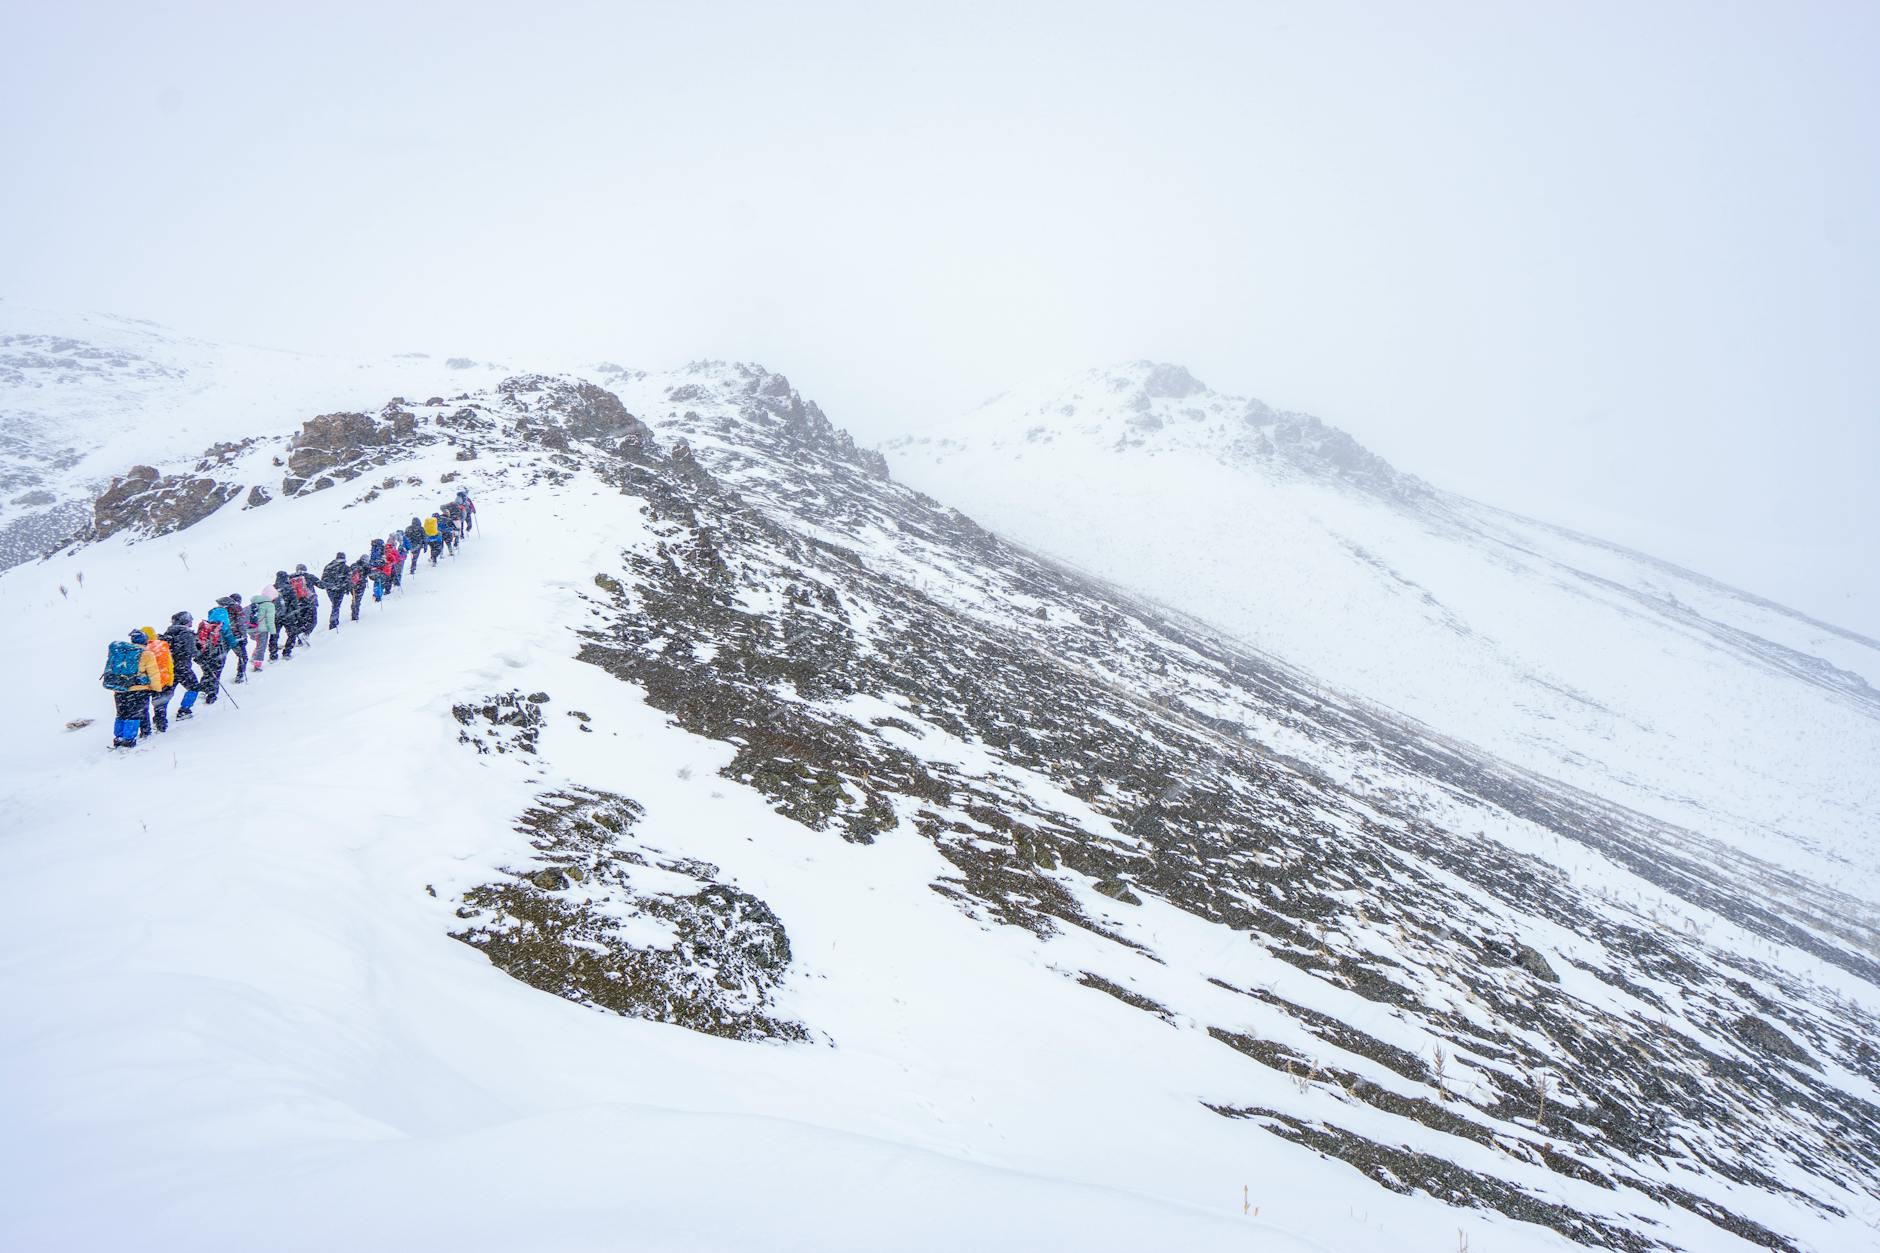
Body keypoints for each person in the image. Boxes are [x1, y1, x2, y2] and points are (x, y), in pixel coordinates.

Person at [101, 628, 162, 748]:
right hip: (138, 689)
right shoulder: (147, 654)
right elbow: (153, 674)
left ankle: (118, 738)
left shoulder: (122, 652)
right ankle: (128, 739)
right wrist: (157, 689)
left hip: (120, 689)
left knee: (121, 714)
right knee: (133, 715)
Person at [159, 610, 201, 723]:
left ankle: (160, 717)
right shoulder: (186, 633)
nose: (192, 621)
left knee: (167, 692)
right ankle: (184, 710)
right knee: (194, 687)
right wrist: (199, 651)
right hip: (183, 667)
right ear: (186, 621)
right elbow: (192, 651)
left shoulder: (168, 632)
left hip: (169, 667)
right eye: (191, 619)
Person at [136, 624, 171, 736]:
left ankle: (145, 730)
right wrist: (170, 679)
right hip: (161, 681)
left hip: (145, 683)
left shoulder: (139, 649)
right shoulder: (162, 646)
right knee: (160, 705)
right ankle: (161, 724)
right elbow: (169, 664)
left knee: (143, 708)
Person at [196, 604, 232, 704]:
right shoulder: (224, 627)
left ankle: (203, 689)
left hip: (205, 654)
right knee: (216, 674)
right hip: (218, 654)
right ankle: (211, 695)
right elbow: (232, 641)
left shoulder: (205, 626)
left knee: (207, 671)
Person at [217, 593, 250, 683]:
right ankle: (240, 676)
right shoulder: (237, 609)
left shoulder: (220, 609)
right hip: (236, 637)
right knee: (243, 657)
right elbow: (241, 623)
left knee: (220, 660)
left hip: (222, 637)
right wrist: (244, 636)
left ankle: (212, 682)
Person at [249, 588, 278, 674]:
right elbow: (270, 620)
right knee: (262, 646)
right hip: (262, 629)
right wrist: (273, 632)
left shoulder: (256, 602)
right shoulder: (269, 605)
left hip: (252, 628)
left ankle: (254, 657)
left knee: (259, 645)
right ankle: (257, 665)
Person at [321, 552, 351, 629]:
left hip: (330, 589)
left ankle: (334, 620)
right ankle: (333, 622)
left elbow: (323, 579)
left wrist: (329, 586)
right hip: (340, 589)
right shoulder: (345, 567)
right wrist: (347, 588)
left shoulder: (328, 566)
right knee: (336, 605)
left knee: (335, 604)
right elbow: (348, 579)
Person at [346, 552, 369, 621]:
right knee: (357, 600)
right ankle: (355, 615)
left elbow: (349, 574)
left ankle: (354, 613)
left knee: (355, 600)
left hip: (353, 585)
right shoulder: (364, 566)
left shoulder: (354, 565)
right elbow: (369, 574)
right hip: (359, 585)